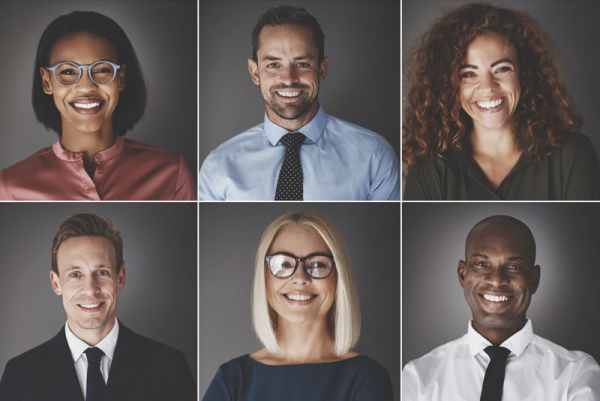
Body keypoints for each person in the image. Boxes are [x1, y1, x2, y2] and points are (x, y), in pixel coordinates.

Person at [199, 5, 400, 201]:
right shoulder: (219, 165)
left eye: (302, 64)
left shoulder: (374, 156)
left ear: (322, 69)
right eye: (273, 65)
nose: (288, 78)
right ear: (254, 72)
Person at [403, 3, 600, 200]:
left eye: (502, 69)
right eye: (469, 74)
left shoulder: (573, 156)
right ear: (449, 86)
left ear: (524, 74)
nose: (488, 87)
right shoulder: (429, 170)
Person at [0, 11, 195, 200]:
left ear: (121, 78)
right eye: (68, 72)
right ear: (47, 82)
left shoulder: (172, 174)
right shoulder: (10, 187)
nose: (86, 86)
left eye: (102, 70)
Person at [402, 215, 600, 400]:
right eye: (481, 264)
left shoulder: (576, 373)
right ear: (463, 275)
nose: (496, 280)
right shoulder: (418, 377)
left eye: (513, 267)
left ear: (534, 278)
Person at [0, 213, 196, 400]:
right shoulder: (20, 375)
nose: (91, 290)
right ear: (56, 283)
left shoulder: (170, 368)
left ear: (121, 277)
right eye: (76, 274)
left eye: (102, 272)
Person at [203, 212, 393, 400]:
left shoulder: (368, 378)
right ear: (265, 278)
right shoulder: (232, 379)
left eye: (317, 264)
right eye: (283, 264)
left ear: (338, 278)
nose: (300, 278)